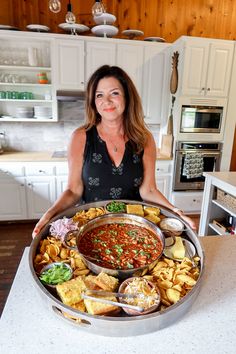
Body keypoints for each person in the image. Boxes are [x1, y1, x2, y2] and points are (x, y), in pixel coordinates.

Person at [32, 65, 196, 238]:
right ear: (93, 102)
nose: (107, 101)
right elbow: (73, 191)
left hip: (133, 227)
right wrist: (49, 213)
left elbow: (148, 190)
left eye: (114, 93)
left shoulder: (144, 138)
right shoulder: (81, 137)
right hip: (92, 228)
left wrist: (175, 210)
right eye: (99, 95)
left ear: (127, 97)